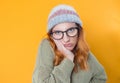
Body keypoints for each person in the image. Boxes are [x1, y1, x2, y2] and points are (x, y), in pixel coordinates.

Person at [32, 4, 107, 83]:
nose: (66, 39)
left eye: (71, 30)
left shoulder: (82, 50)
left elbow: (101, 77)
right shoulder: (47, 46)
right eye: (58, 32)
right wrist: (68, 58)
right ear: (51, 36)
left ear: (79, 32)